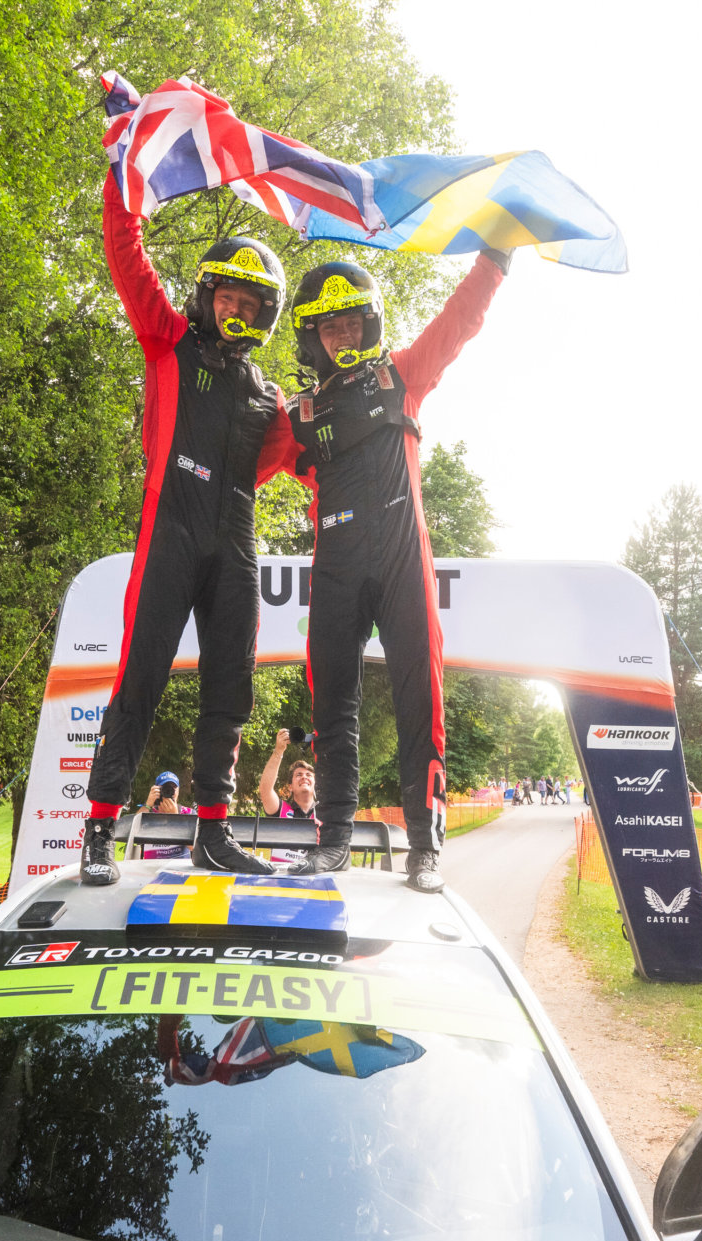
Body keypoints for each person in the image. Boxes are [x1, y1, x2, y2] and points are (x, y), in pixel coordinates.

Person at [81, 114, 289, 886]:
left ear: (266, 317)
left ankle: (214, 832)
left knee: (231, 689)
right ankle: (100, 828)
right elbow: (126, 256)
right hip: (169, 529)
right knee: (140, 677)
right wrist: (121, 171)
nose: (237, 313)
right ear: (206, 296)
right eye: (228, 298)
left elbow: (307, 461)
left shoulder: (268, 395)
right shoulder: (166, 340)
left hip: (234, 546)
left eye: (252, 306)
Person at [262, 251, 509, 892]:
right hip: (336, 569)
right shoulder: (298, 415)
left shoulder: (402, 375)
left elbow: (456, 324)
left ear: (369, 324)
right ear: (312, 338)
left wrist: (494, 260)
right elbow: (242, 463)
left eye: (351, 323)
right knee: (332, 707)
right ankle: (333, 842)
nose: (342, 335)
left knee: (418, 700)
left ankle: (424, 848)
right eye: (330, 328)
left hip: (404, 562)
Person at [258, 730, 316, 818]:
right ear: (290, 786)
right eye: (299, 775)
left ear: (316, 784)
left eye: (308, 775)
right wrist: (279, 750)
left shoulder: (326, 812)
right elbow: (265, 790)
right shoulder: (281, 809)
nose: (304, 777)